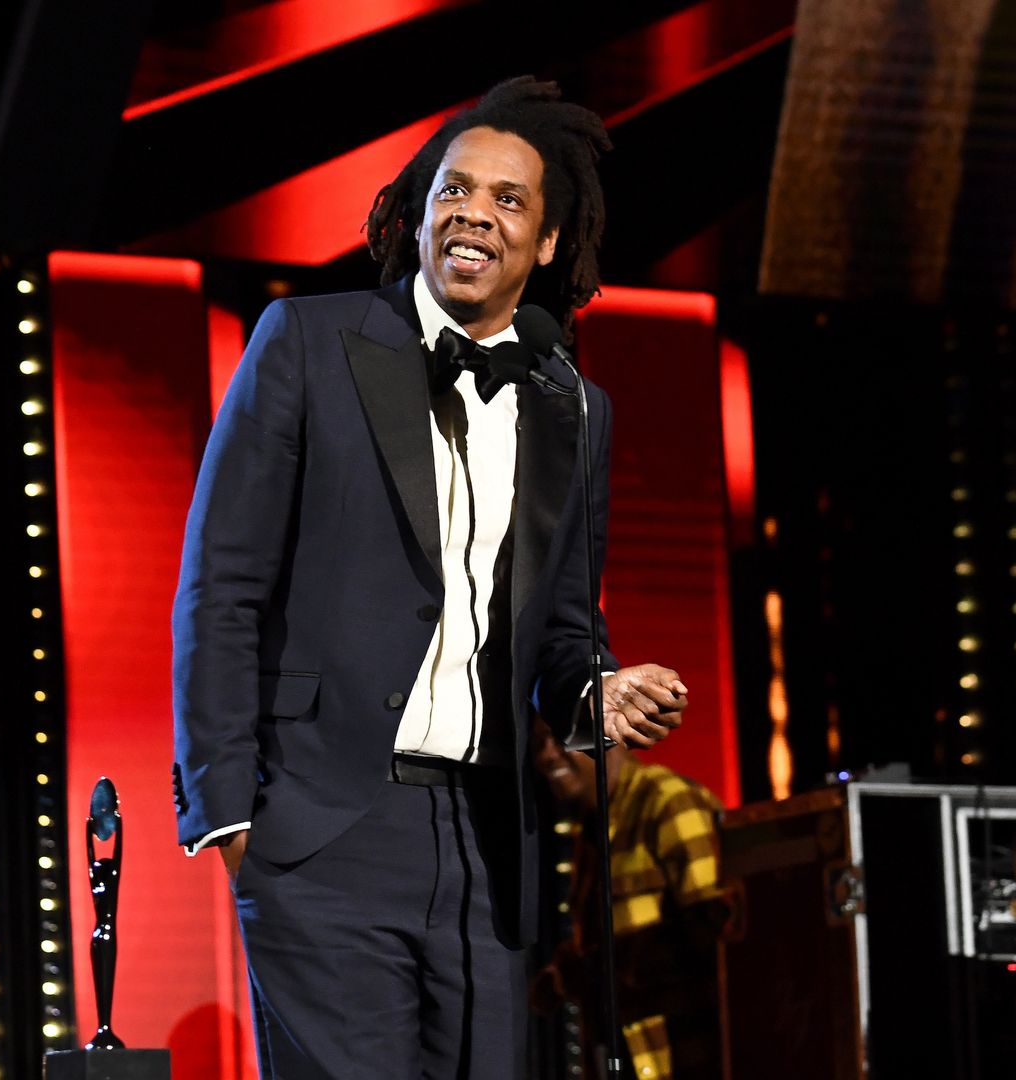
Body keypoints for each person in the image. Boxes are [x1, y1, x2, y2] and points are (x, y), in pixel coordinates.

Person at [170, 77, 690, 1080]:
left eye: (507, 200)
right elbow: (220, 586)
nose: (473, 214)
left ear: (547, 244)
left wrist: (598, 690)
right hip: (323, 827)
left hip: (487, 847)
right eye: (455, 190)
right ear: (418, 212)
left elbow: (566, 628)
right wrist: (232, 815)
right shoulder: (311, 345)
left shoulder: (575, 410)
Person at [530, 722, 729, 1080]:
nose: (546, 755)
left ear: (610, 737)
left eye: (560, 738)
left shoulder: (667, 800)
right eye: (538, 743)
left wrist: (594, 968)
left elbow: (716, 931)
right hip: (631, 1058)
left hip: (686, 1059)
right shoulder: (588, 832)